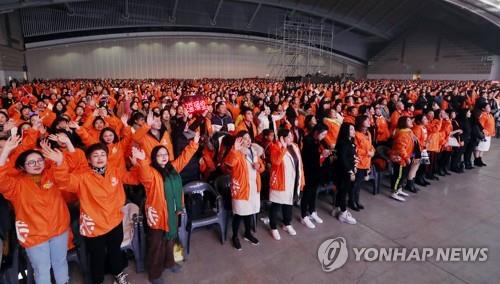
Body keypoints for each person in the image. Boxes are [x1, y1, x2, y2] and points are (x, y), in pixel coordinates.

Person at [49, 143, 143, 284]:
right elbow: (65, 182)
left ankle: (118, 274)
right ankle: (97, 280)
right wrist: (60, 163)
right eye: (95, 155)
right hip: (94, 226)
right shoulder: (82, 177)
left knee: (115, 251)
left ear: (107, 157)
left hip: (114, 220)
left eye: (103, 155)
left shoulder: (115, 171)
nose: (100, 158)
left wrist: (139, 163)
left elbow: (134, 179)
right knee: (96, 257)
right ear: (88, 160)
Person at [0, 135, 70, 284]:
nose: (37, 164)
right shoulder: (15, 185)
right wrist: (5, 151)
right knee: (41, 270)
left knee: (61, 263)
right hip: (34, 235)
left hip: (59, 229)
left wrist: (60, 161)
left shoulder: (52, 175)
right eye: (31, 162)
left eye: (39, 161)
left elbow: (65, 178)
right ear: (23, 167)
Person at [135, 133, 199, 284]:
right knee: (156, 245)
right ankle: (155, 274)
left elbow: (184, 157)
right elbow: (143, 173)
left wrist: (194, 144)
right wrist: (142, 160)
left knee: (170, 239)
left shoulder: (172, 168)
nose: (163, 157)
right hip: (157, 214)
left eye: (165, 154)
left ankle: (170, 263)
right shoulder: (150, 172)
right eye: (159, 155)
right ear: (154, 158)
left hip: (172, 211)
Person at [223, 131, 264, 250]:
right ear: (239, 141)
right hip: (241, 188)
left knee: (250, 211)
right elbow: (229, 164)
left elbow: (262, 167)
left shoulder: (255, 151)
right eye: (245, 138)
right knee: (239, 213)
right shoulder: (236, 152)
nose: (248, 140)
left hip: (253, 187)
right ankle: (235, 236)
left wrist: (259, 167)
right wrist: (234, 150)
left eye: (249, 138)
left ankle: (247, 233)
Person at [268, 128, 304, 241]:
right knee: (276, 205)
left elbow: (299, 164)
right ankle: (273, 227)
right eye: (288, 136)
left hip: (292, 181)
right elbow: (276, 162)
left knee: (289, 204)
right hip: (280, 182)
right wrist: (283, 148)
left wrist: (301, 179)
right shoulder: (275, 147)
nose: (291, 138)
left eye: (292, 136)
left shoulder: (294, 146)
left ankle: (287, 223)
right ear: (282, 138)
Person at [300, 124, 328, 229]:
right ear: (317, 132)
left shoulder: (320, 141)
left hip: (317, 171)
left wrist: (324, 154)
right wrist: (321, 155)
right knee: (307, 193)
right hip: (309, 171)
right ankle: (303, 215)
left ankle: (312, 211)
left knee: (314, 192)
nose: (324, 136)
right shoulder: (308, 140)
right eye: (323, 134)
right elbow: (308, 158)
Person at [332, 123, 357, 224]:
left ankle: (337, 208)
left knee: (342, 191)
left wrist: (354, 166)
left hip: (347, 169)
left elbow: (351, 157)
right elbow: (342, 159)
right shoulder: (343, 143)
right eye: (351, 129)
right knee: (343, 192)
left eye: (353, 129)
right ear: (346, 131)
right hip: (343, 171)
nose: (353, 131)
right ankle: (343, 213)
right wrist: (350, 171)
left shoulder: (349, 141)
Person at [352, 115, 374, 211]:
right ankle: (352, 201)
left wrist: (373, 151)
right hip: (359, 163)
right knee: (355, 184)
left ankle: (356, 200)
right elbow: (355, 149)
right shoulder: (356, 134)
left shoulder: (368, 133)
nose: (369, 121)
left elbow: (371, 146)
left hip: (366, 162)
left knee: (359, 183)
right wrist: (366, 152)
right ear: (361, 122)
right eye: (366, 120)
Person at [390, 116, 415, 201]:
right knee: (399, 176)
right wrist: (406, 157)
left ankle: (399, 189)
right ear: (403, 123)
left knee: (403, 174)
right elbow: (401, 148)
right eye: (408, 120)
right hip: (400, 159)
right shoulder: (403, 133)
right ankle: (394, 192)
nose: (411, 121)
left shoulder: (408, 132)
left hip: (406, 157)